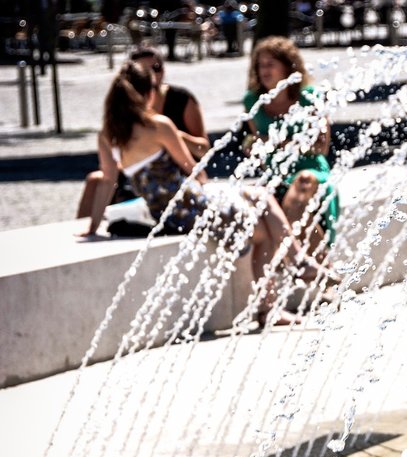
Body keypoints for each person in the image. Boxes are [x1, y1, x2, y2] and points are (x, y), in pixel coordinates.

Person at [81, 61, 336, 325]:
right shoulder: (158, 126)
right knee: (265, 228)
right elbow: (192, 168)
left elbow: (107, 181)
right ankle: (280, 291)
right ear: (149, 93)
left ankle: (294, 269)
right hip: (192, 207)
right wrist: (200, 172)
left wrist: (92, 227)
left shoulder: (108, 135)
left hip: (167, 213)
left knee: (259, 196)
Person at [76, 47, 209, 220]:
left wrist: (178, 136)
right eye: (145, 70)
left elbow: (201, 152)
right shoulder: (157, 125)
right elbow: (195, 171)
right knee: (95, 180)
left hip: (157, 191)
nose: (154, 74)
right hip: (163, 197)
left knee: (103, 181)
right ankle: (84, 227)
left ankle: (87, 228)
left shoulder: (179, 101)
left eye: (156, 67)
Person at [243, 36, 339, 256]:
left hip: (311, 170)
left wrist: (277, 143)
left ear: (287, 67)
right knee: (254, 203)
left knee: (299, 188)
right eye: (260, 65)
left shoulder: (310, 97)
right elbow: (257, 141)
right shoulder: (253, 101)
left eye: (270, 64)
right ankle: (313, 267)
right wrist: (252, 147)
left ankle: (317, 265)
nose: (264, 71)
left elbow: (321, 146)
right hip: (276, 174)